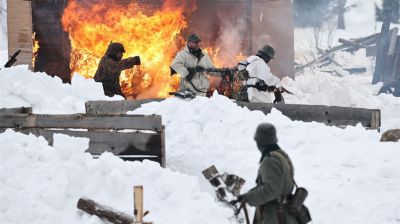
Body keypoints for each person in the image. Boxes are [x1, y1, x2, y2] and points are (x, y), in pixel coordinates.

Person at [235, 123, 299, 224]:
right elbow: (273, 185)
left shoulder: (271, 161)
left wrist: (249, 198)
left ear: (260, 142)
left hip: (275, 216)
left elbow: (273, 189)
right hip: (283, 213)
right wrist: (247, 196)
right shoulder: (281, 156)